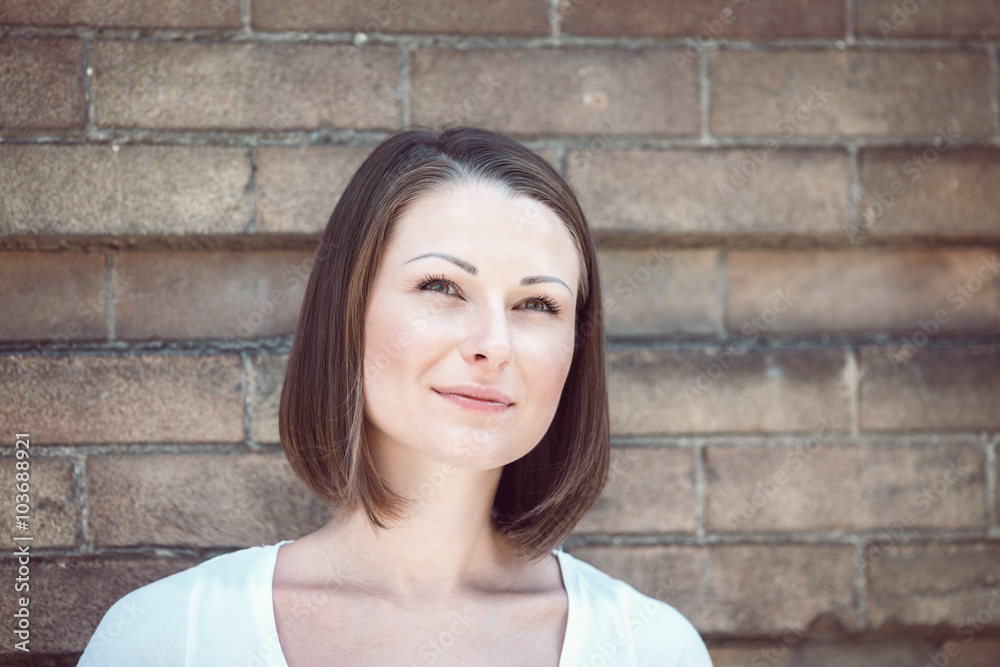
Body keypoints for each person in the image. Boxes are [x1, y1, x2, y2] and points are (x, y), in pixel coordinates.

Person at [79, 127, 712, 666]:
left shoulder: (650, 649)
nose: (495, 343)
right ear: (346, 314)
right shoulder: (172, 637)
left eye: (537, 304)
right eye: (441, 286)